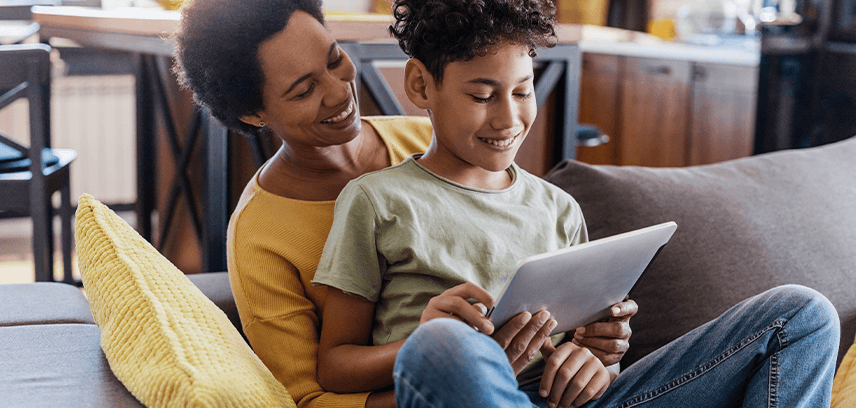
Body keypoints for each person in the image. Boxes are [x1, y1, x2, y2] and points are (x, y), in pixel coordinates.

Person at [312, 1, 841, 408]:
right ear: (421, 84)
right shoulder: (377, 201)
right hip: (464, 386)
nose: (508, 119)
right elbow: (335, 367)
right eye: (481, 96)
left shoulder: (558, 208)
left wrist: (597, 357)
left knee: (802, 314)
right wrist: (425, 339)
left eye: (523, 92)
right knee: (444, 345)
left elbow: (593, 359)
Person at [171, 0, 635, 407]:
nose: (338, 91)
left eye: (335, 60)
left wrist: (597, 351)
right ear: (254, 113)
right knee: (445, 346)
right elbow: (313, 396)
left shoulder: (435, 138)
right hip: (435, 384)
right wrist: (460, 365)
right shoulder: (261, 236)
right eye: (304, 89)